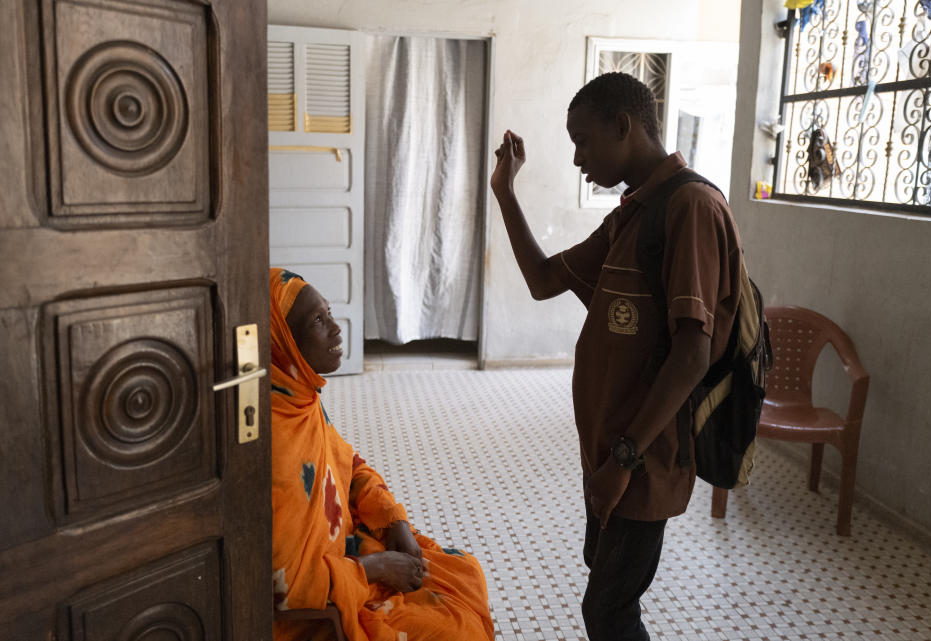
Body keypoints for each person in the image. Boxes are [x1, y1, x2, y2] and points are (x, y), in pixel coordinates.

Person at [489, 72, 744, 641]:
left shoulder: (690, 208)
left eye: (583, 140)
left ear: (624, 127)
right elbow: (542, 279)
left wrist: (624, 461)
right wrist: (505, 193)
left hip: (645, 456)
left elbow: (692, 355)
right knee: (604, 594)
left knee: (608, 611)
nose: (577, 157)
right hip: (610, 452)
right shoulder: (634, 214)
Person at [269, 267, 495, 641]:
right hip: (325, 603)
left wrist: (394, 523)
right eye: (318, 321)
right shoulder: (275, 441)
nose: (337, 329)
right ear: (284, 342)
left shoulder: (299, 401)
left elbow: (350, 465)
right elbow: (284, 587)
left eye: (329, 313)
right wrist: (376, 568)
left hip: (346, 550)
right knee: (453, 632)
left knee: (464, 572)